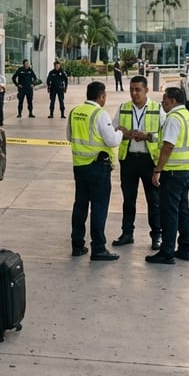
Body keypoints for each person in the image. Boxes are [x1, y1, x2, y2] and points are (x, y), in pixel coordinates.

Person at [67, 81, 122, 261]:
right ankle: (98, 248)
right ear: (102, 96)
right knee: (99, 207)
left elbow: (69, 136)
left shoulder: (74, 112)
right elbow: (112, 141)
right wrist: (120, 132)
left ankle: (77, 245)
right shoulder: (100, 114)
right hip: (97, 168)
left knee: (80, 206)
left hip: (79, 167)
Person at [146, 86, 189, 265]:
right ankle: (184, 249)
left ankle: (166, 251)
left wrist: (157, 170)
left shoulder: (173, 119)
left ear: (173, 100)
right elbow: (163, 138)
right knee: (183, 211)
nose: (162, 102)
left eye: (165, 99)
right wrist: (147, 137)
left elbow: (168, 146)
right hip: (186, 171)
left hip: (172, 172)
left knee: (169, 212)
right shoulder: (188, 117)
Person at [112, 75, 162, 250]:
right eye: (132, 89)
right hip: (129, 159)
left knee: (154, 200)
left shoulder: (158, 108)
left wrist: (147, 136)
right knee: (128, 200)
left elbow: (164, 136)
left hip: (150, 160)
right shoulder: (123, 108)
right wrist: (124, 133)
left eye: (138, 89)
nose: (134, 93)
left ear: (146, 90)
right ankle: (127, 233)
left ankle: (157, 235)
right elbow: (114, 129)